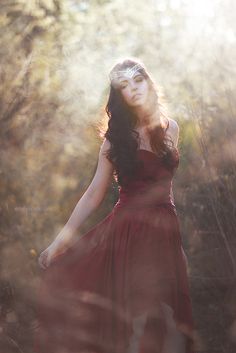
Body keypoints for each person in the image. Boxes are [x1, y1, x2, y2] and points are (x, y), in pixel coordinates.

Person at [34, 58, 197, 353]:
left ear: (148, 82)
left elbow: (166, 189)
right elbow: (93, 194)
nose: (133, 89)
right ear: (118, 95)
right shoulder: (114, 141)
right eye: (124, 86)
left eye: (138, 81)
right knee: (136, 323)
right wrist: (60, 241)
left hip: (164, 233)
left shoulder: (170, 128)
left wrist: (179, 247)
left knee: (173, 326)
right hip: (129, 234)